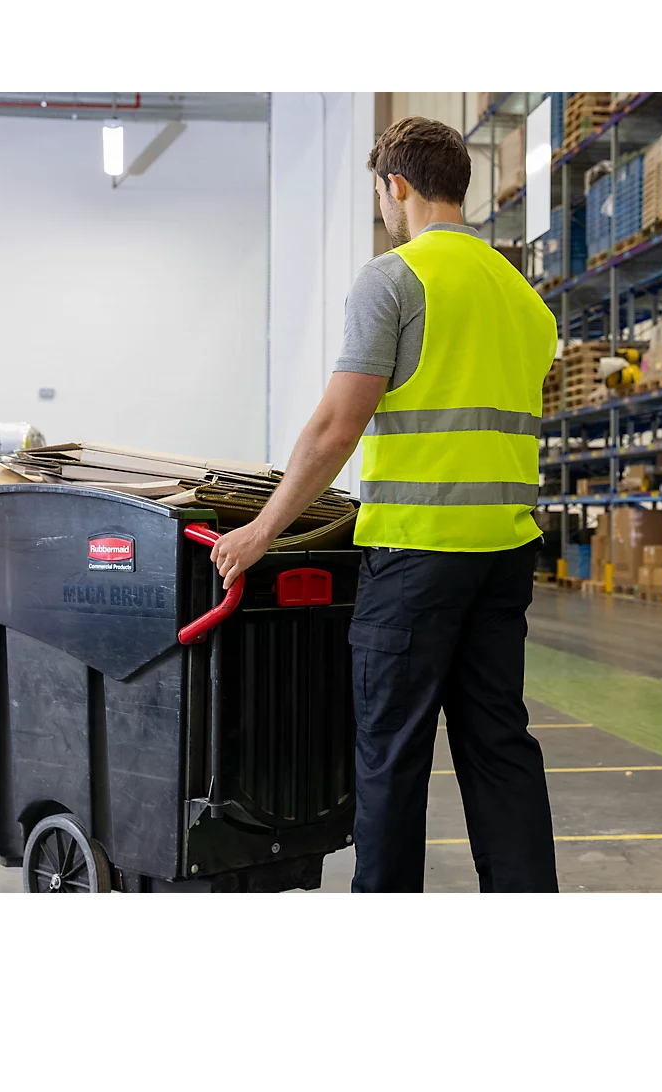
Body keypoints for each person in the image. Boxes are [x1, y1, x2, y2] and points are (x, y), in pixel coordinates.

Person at [211, 115, 559, 893]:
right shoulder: (523, 297)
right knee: (500, 748)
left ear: (395, 186)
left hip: (416, 557)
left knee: (392, 756)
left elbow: (338, 425)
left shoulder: (395, 279)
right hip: (504, 556)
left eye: (379, 195)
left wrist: (262, 531)